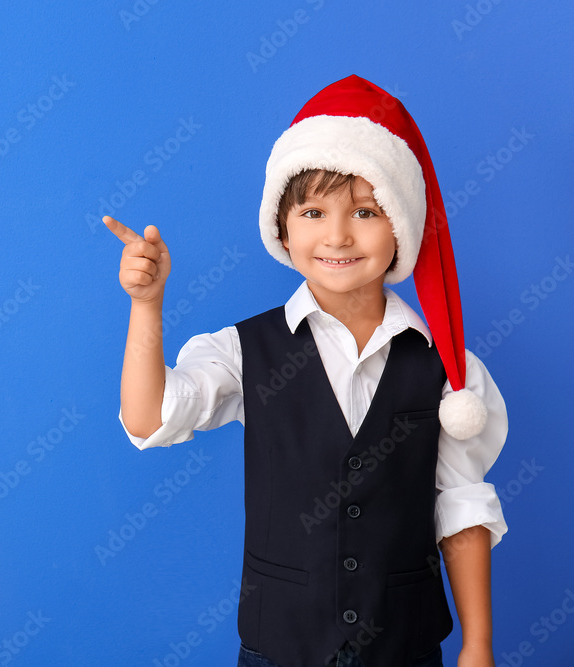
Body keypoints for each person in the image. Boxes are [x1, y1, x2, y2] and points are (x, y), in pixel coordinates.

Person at [104, 75, 507, 667]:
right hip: (280, 649)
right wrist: (147, 307)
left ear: (401, 228)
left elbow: (462, 504)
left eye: (366, 212)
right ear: (282, 228)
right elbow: (148, 419)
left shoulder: (447, 368)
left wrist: (478, 644)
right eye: (314, 212)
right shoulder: (245, 350)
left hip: (404, 648)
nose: (338, 235)